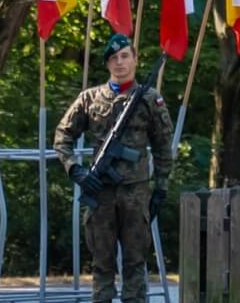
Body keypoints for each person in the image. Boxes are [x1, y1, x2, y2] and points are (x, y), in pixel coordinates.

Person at [54, 33, 173, 303]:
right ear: (107, 64)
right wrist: (76, 170)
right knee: (102, 266)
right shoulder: (90, 98)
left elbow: (163, 146)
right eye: (113, 58)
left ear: (135, 59)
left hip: (136, 194)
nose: (120, 63)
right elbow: (62, 136)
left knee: (135, 264)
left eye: (125, 56)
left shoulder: (149, 99)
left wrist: (161, 187)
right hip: (101, 194)